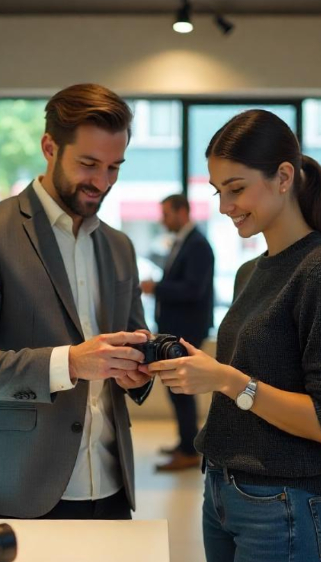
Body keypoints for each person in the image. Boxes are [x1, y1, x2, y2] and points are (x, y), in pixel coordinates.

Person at [146, 109, 321, 561]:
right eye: (218, 192)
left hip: (284, 504)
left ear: (284, 177)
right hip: (224, 492)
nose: (225, 206)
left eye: (237, 189)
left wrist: (227, 380)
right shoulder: (250, 272)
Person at [0, 83, 154, 521]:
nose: (102, 182)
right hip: (22, 487)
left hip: (113, 486)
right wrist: (70, 363)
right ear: (49, 147)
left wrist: (140, 371)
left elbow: (135, 345)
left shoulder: (120, 246)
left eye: (115, 167)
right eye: (89, 164)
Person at [141, 193, 214, 471]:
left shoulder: (197, 245)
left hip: (187, 330)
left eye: (167, 214)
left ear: (183, 212)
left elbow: (194, 289)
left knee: (181, 389)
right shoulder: (186, 242)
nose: (162, 220)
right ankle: (187, 442)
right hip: (179, 327)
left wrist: (156, 288)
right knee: (177, 389)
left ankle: (189, 450)